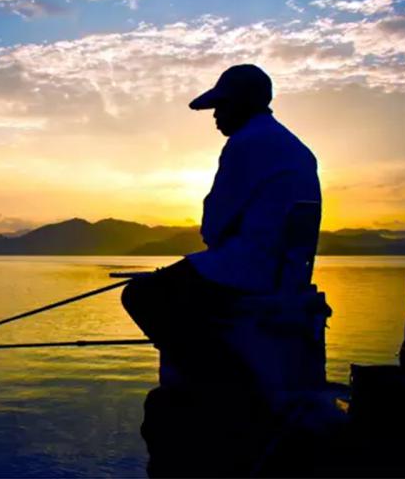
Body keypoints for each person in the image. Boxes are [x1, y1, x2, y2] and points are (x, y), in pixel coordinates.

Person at [121, 64, 321, 355]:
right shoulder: (297, 148)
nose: (215, 115)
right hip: (287, 273)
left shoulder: (245, 144)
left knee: (141, 295)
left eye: (221, 106)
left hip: (247, 268)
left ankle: (216, 380)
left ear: (242, 103)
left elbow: (213, 228)